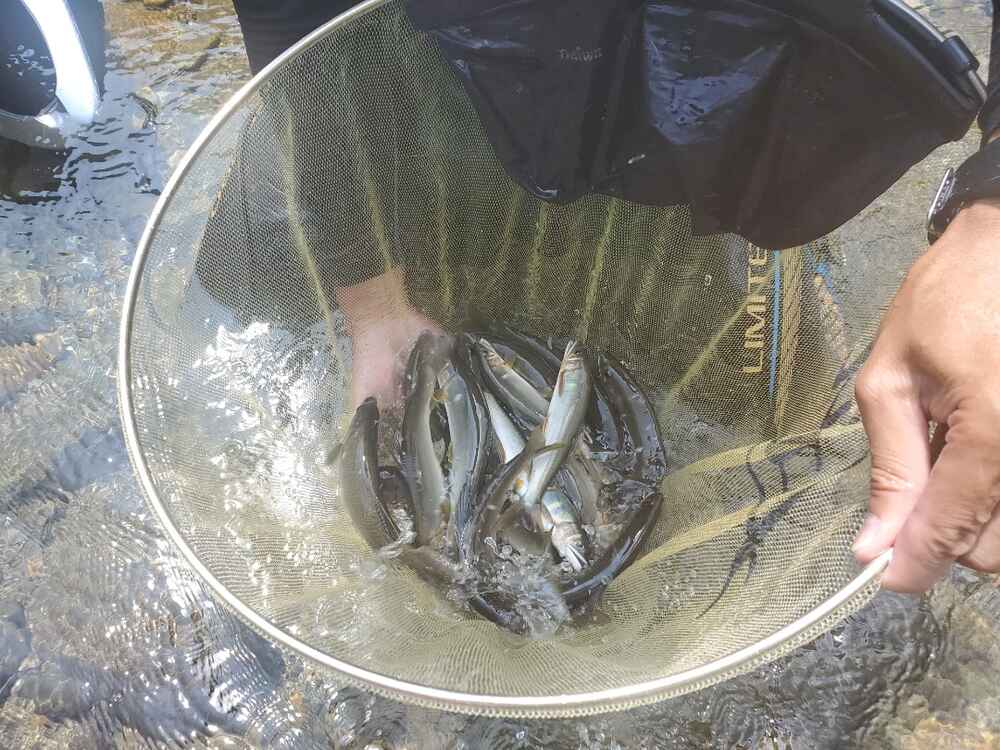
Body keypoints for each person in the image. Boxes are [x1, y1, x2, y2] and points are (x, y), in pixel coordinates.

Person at [226, 0, 1000, 596]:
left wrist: (991, 212)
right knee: (276, 301)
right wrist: (371, 301)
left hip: (695, 95)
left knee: (742, 405)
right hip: (416, 71)